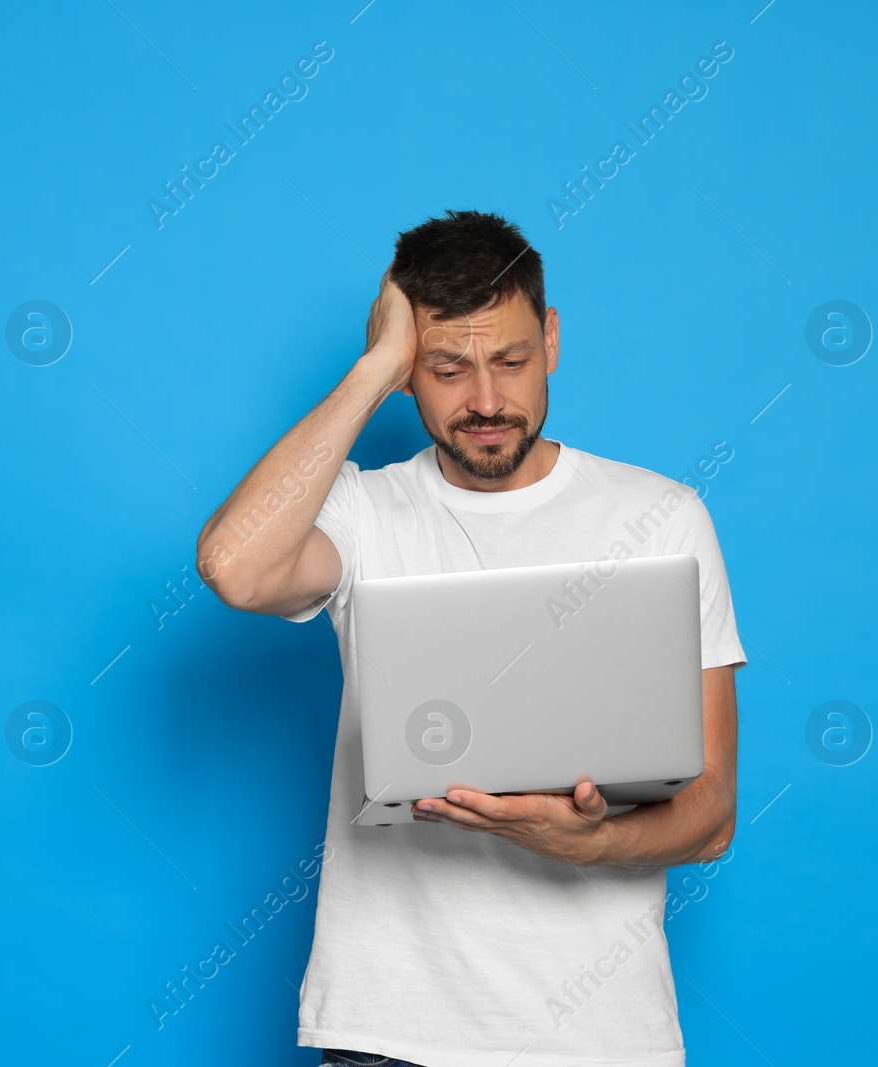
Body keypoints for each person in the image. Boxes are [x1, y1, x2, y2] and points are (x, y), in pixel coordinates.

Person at [195, 210, 746, 1067]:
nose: (486, 401)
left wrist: (591, 841)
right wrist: (374, 367)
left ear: (552, 337)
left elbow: (710, 817)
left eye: (512, 361)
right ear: (411, 367)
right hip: (386, 1033)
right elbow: (235, 566)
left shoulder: (663, 517)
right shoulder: (361, 511)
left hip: (601, 1042)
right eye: (446, 367)